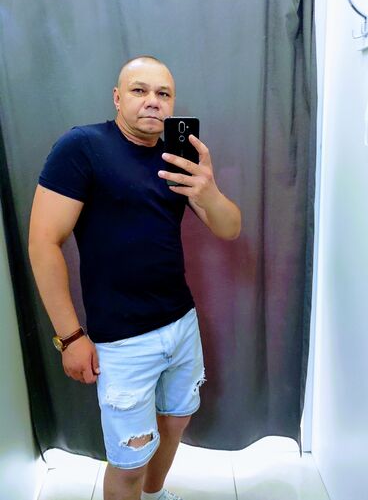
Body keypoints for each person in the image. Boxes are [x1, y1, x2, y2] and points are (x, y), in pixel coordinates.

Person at [28, 55, 241, 500]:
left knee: (176, 421)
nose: (152, 101)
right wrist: (70, 336)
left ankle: (154, 495)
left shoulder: (177, 159)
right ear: (117, 97)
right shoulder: (82, 147)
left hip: (181, 323)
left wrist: (208, 190)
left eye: (163, 93)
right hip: (123, 341)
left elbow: (229, 228)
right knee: (129, 461)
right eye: (139, 90)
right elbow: (44, 242)